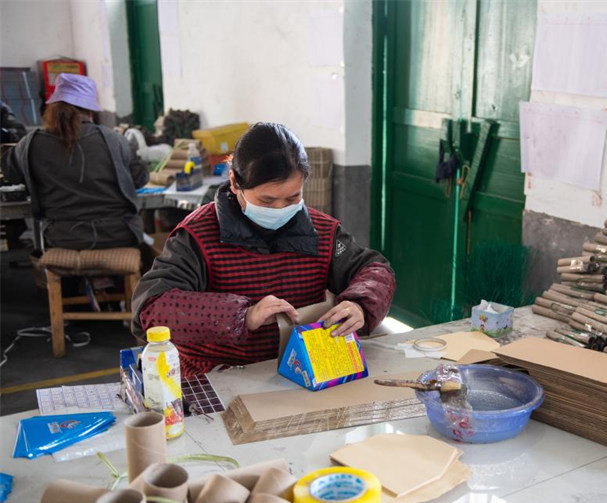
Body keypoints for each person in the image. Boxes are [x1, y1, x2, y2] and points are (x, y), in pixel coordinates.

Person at [132, 123, 396, 377]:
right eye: (267, 200)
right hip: (218, 375)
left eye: (293, 198)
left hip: (302, 371)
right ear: (235, 183)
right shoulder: (197, 236)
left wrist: (361, 304)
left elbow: (374, 269)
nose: (280, 209)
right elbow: (152, 308)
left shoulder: (323, 232)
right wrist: (242, 315)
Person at [10, 73, 148, 250]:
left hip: (63, 238)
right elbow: (139, 179)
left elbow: (11, 174)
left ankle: (71, 276)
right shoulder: (115, 140)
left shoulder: (30, 144)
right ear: (90, 110)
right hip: (118, 235)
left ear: (51, 107)